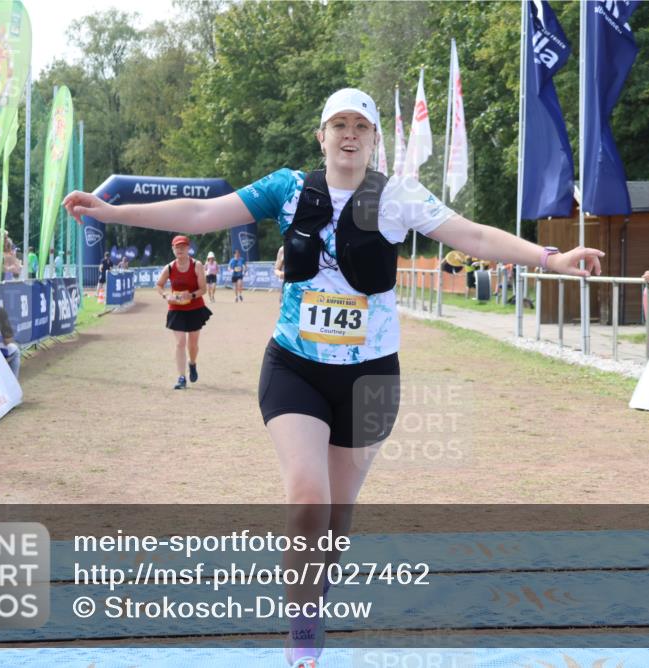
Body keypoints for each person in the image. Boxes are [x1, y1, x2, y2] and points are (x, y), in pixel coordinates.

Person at [63, 87, 603, 668]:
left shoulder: (397, 196)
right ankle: (301, 635)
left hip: (371, 378)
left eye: (361, 127)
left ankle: (313, 596)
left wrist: (550, 259)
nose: (349, 134)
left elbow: (471, 235)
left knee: (338, 514)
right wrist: (110, 211)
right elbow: (200, 214)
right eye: (339, 124)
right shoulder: (287, 189)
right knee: (308, 496)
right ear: (321, 136)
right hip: (295, 368)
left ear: (373, 139)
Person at [155, 235, 211, 389]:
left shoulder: (196, 265)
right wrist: (166, 295)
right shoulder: (169, 268)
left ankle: (192, 363)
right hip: (176, 309)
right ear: (173, 249)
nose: (180, 250)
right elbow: (159, 285)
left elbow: (203, 289)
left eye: (183, 247)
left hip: (195, 308)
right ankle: (181, 377)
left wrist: (191, 295)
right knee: (180, 343)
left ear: (188, 249)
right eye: (177, 247)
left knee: (193, 344)